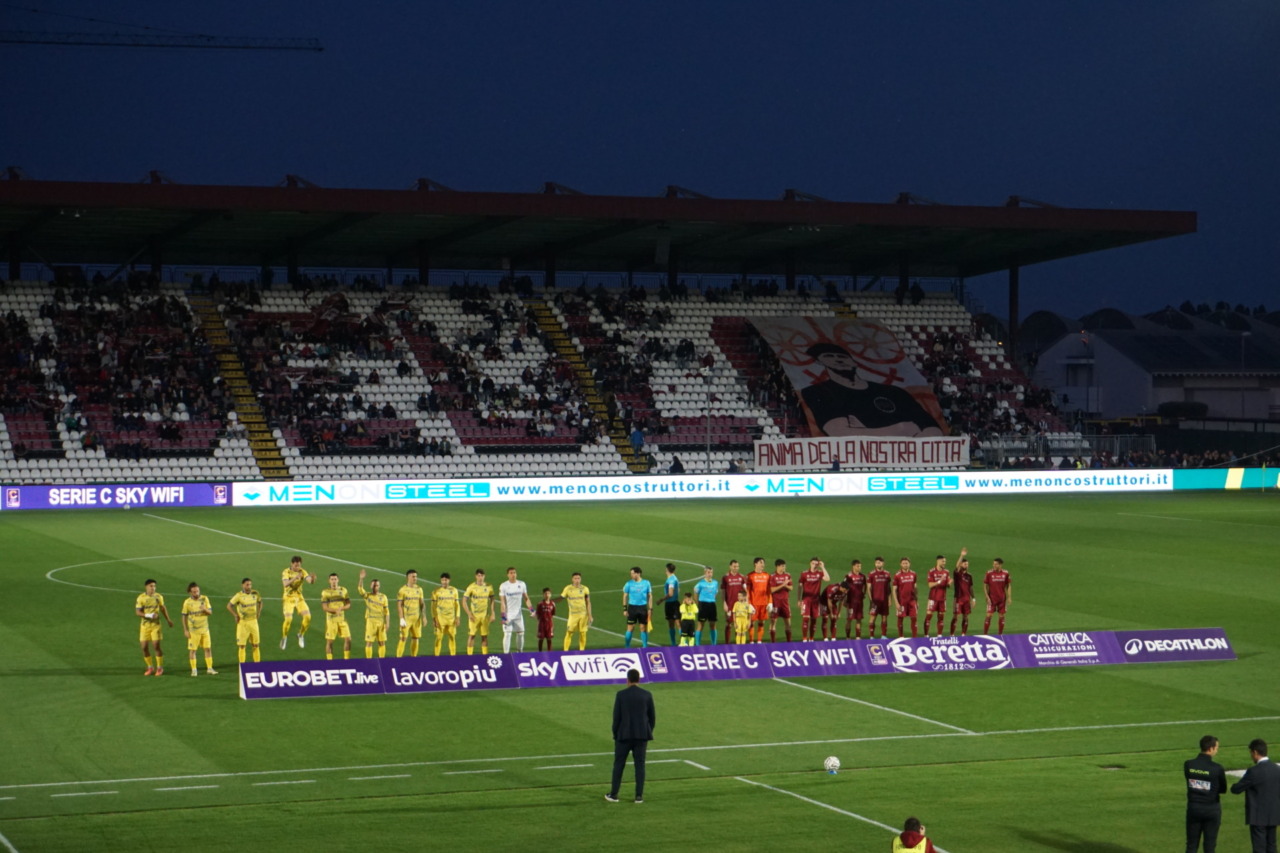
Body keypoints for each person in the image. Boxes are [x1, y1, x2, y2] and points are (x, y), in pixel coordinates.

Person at [800, 343, 943, 437]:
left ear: (854, 361)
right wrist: (903, 429)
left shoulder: (894, 392)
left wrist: (863, 432)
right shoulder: (818, 391)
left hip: (907, 458)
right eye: (829, 356)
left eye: (842, 356)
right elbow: (840, 433)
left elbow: (934, 431)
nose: (838, 359)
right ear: (820, 362)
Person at [605, 668, 655, 804]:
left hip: (624, 735)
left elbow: (617, 718)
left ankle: (614, 794)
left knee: (619, 765)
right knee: (640, 765)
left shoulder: (621, 695)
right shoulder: (647, 695)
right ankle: (639, 796)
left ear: (628, 680)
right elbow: (652, 718)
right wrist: (647, 731)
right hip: (641, 736)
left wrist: (615, 733)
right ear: (639, 679)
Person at [1231, 738, 1280, 853]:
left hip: (1258, 817)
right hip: (1274, 814)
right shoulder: (1277, 770)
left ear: (1255, 752)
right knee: (1272, 846)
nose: (1251, 756)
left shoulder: (1254, 771)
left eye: (1251, 753)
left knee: (1259, 848)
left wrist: (1233, 786)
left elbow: (1236, 789)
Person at [1185, 734, 1228, 853]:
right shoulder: (1217, 768)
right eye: (1216, 748)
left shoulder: (1189, 765)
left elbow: (1190, 781)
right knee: (1209, 846)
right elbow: (1223, 789)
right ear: (1211, 748)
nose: (1217, 750)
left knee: (1191, 845)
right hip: (1211, 809)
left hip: (1194, 808)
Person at [136, 578, 174, 676]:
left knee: (156, 646)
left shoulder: (158, 597)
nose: (153, 588)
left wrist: (168, 620)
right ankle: (150, 667)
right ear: (146, 587)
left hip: (156, 625)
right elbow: (138, 612)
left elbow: (162, 608)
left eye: (154, 586)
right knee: (144, 647)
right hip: (144, 626)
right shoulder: (141, 598)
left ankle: (160, 668)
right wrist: (149, 615)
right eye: (151, 586)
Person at [179, 582, 216, 676]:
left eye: (198, 591)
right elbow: (184, 616)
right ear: (190, 592)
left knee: (208, 648)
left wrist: (205, 609)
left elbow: (210, 612)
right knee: (193, 650)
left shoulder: (204, 599)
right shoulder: (187, 602)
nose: (196, 593)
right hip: (193, 631)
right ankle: (194, 669)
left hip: (205, 629)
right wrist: (185, 630)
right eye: (194, 592)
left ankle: (210, 668)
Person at [279, 555, 315, 650]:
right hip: (288, 598)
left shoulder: (302, 571)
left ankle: (300, 634)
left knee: (308, 617)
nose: (297, 567)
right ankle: (284, 637)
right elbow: (285, 584)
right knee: (288, 620)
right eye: (296, 565)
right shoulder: (286, 572)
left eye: (299, 565)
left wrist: (313, 579)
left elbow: (309, 581)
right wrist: (296, 577)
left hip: (299, 598)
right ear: (291, 564)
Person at [226, 577, 263, 665]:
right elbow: (229, 606)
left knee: (256, 644)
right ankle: (242, 665)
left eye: (250, 584)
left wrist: (259, 612)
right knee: (242, 646)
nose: (249, 586)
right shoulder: (239, 596)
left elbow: (260, 602)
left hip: (253, 622)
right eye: (247, 585)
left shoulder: (255, 593)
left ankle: (257, 665)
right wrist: (235, 615)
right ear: (243, 585)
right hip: (243, 623)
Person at [356, 569, 390, 658]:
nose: (375, 587)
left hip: (381, 622)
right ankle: (369, 660)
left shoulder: (383, 597)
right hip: (370, 622)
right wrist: (361, 579)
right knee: (369, 642)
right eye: (374, 585)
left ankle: (382, 660)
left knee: (382, 642)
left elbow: (387, 612)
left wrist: (387, 623)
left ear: (379, 586)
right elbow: (360, 589)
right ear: (371, 586)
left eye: (377, 585)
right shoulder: (368, 596)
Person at [499, 566, 533, 653]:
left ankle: (519, 652)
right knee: (507, 634)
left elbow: (526, 598)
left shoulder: (521, 584)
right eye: (511, 573)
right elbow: (502, 602)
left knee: (521, 634)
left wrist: (531, 610)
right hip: (508, 615)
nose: (513, 574)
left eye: (514, 573)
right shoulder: (504, 586)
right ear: (507, 575)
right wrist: (503, 617)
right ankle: (506, 654)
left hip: (518, 615)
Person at [321, 573, 352, 660]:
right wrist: (335, 611)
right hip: (331, 620)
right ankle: (330, 661)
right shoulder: (325, 592)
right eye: (332, 579)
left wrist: (342, 608)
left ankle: (347, 660)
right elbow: (325, 607)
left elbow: (348, 604)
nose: (333, 581)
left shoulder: (344, 590)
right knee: (330, 641)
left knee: (348, 639)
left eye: (335, 579)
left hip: (342, 619)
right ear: (329, 581)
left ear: (338, 580)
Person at [464, 569, 496, 654]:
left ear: (484, 576)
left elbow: (492, 599)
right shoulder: (471, 587)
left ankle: (484, 655)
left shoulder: (489, 587)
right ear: (476, 576)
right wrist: (469, 613)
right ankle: (469, 656)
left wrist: (493, 613)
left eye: (482, 575)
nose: (480, 577)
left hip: (485, 616)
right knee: (472, 635)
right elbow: (464, 601)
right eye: (478, 575)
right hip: (474, 616)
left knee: (484, 636)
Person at [559, 572, 593, 652]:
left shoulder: (585, 589)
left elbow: (588, 602)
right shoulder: (568, 589)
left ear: (580, 579)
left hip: (583, 615)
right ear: (572, 579)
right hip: (573, 615)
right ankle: (565, 651)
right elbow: (561, 598)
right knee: (569, 632)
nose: (577, 580)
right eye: (575, 578)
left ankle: (582, 651)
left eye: (578, 578)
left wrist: (590, 615)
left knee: (583, 633)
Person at [396, 569, 426, 657]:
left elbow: (422, 604)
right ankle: (397, 659)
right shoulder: (402, 590)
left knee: (416, 638)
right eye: (413, 576)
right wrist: (401, 618)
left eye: (416, 576)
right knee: (403, 638)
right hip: (406, 619)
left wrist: (424, 616)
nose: (415, 578)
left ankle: (414, 658)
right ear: (408, 577)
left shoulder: (419, 589)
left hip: (416, 619)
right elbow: (399, 605)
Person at [798, 557, 829, 642]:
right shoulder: (804, 574)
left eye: (816, 564)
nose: (814, 565)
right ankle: (804, 639)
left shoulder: (819, 573)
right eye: (813, 563)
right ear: (810, 563)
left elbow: (827, 579)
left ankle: (811, 639)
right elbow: (800, 587)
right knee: (806, 619)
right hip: (806, 600)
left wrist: (823, 567)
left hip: (816, 601)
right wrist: (799, 599)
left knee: (814, 620)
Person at [622, 567, 653, 648]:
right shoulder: (628, 583)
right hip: (632, 608)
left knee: (643, 628)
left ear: (638, 573)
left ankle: (645, 646)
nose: (631, 575)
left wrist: (650, 608)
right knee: (630, 628)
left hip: (643, 608)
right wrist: (625, 609)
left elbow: (650, 596)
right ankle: (627, 646)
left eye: (632, 573)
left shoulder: (646, 583)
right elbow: (625, 596)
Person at [431, 572, 461, 656]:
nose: (444, 582)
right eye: (443, 580)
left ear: (449, 580)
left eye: (446, 580)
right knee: (439, 637)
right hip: (440, 619)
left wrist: (457, 617)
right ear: (441, 581)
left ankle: (453, 656)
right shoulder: (436, 592)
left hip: (451, 618)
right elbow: (433, 607)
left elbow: (457, 604)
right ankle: (436, 656)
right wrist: (434, 618)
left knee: (452, 636)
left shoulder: (454, 590)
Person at [718, 560, 747, 644]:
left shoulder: (742, 577)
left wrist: (746, 602)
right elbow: (723, 591)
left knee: (738, 625)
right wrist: (724, 603)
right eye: (734, 566)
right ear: (730, 566)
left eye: (737, 566)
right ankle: (727, 643)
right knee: (729, 623)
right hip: (729, 604)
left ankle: (737, 643)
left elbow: (745, 591)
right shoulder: (725, 577)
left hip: (740, 605)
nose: (736, 568)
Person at [949, 548, 974, 636]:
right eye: (964, 564)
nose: (966, 565)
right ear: (961, 564)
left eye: (967, 564)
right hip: (958, 598)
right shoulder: (957, 574)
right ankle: (952, 634)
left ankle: (963, 634)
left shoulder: (969, 576)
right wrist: (962, 555)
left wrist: (973, 598)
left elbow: (970, 587)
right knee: (956, 616)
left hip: (967, 599)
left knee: (966, 616)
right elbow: (956, 567)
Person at [746, 558, 772, 643]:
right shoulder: (750, 576)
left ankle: (759, 641)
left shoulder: (767, 575)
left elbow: (769, 590)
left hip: (764, 603)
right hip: (754, 603)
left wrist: (770, 602)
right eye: (761, 563)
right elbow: (747, 591)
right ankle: (751, 641)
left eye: (763, 563)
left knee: (762, 623)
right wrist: (749, 603)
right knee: (752, 622)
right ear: (755, 564)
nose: (763, 565)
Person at [982, 557, 1011, 635]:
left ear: (1000, 565)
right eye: (993, 564)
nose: (994, 565)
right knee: (988, 615)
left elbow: (1008, 585)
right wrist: (986, 596)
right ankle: (985, 634)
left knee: (1001, 616)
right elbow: (985, 585)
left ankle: (1000, 634)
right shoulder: (989, 573)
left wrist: (1009, 597)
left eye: (996, 564)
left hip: (1002, 599)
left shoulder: (1005, 573)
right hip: (992, 599)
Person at [892, 558, 919, 638]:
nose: (905, 565)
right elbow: (894, 590)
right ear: (901, 564)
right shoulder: (897, 575)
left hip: (912, 601)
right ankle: (901, 636)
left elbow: (915, 588)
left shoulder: (913, 574)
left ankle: (915, 637)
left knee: (914, 618)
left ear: (909, 564)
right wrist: (896, 603)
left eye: (906, 563)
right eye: (903, 563)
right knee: (900, 618)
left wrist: (917, 601)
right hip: (902, 601)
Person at [692, 565, 719, 645]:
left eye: (711, 572)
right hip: (703, 605)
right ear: (705, 573)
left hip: (712, 605)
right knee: (701, 624)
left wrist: (711, 599)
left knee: (713, 624)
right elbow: (695, 594)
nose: (710, 574)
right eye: (708, 572)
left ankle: (714, 644)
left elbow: (716, 593)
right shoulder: (700, 584)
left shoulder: (715, 583)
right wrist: (698, 604)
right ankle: (697, 644)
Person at [768, 559, 793, 643]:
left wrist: (785, 585)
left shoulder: (788, 575)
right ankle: (773, 642)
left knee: (788, 622)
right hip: (775, 602)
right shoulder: (772, 576)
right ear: (777, 566)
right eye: (782, 566)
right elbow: (771, 590)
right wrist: (783, 584)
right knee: (773, 622)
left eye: (784, 566)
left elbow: (791, 587)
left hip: (785, 602)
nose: (784, 567)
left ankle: (789, 642)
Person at [925, 555, 950, 637]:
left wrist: (949, 583)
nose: (944, 563)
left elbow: (947, 583)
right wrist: (939, 582)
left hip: (942, 598)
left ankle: (939, 635)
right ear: (938, 561)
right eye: (943, 561)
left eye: (945, 561)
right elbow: (930, 585)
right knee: (928, 616)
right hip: (933, 597)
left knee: (941, 617)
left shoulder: (946, 572)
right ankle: (926, 635)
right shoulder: (931, 571)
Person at [867, 557, 892, 639]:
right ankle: (871, 636)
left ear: (883, 563)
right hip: (875, 600)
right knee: (872, 617)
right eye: (877, 562)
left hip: (884, 600)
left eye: (880, 562)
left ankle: (883, 635)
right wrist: (871, 600)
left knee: (884, 617)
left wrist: (889, 599)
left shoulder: (887, 574)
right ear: (875, 564)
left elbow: (888, 588)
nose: (878, 564)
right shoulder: (871, 574)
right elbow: (869, 588)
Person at [843, 559, 867, 639]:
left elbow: (865, 585)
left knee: (859, 619)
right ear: (853, 566)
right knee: (849, 619)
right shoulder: (848, 576)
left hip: (859, 602)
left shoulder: (862, 576)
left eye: (860, 566)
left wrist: (864, 593)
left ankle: (858, 637)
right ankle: (848, 637)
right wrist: (844, 600)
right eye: (857, 566)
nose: (859, 567)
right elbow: (843, 588)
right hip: (851, 601)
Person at [662, 563, 681, 647]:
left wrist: (661, 599)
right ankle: (682, 642)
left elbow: (670, 593)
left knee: (675, 623)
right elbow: (678, 590)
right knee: (676, 623)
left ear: (667, 570)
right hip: (675, 603)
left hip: (671, 604)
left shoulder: (671, 580)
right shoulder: (674, 578)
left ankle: (676, 643)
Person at [535, 588, 557, 652]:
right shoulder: (540, 604)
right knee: (541, 638)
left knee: (549, 638)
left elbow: (553, 614)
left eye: (548, 593)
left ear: (551, 595)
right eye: (546, 593)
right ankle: (540, 652)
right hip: (542, 623)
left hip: (549, 623)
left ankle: (549, 652)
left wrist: (550, 621)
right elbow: (538, 614)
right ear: (543, 595)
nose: (547, 595)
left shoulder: (552, 604)